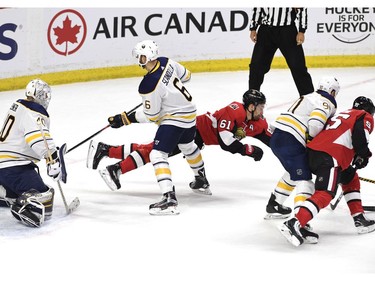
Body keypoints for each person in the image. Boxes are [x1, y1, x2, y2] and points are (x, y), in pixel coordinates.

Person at [97, 40, 210, 215]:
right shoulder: (166, 61)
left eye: (141, 57)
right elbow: (187, 76)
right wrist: (168, 93)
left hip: (175, 119)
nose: (139, 61)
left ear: (148, 56)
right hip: (190, 114)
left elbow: (152, 116)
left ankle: (169, 199)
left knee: (157, 154)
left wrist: (125, 119)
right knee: (188, 146)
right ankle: (201, 180)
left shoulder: (148, 84)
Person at [87, 89, 269, 192]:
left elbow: (268, 136)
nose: (263, 111)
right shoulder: (235, 110)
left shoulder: (254, 120)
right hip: (190, 130)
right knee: (154, 152)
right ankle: (116, 169)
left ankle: (105, 150)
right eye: (260, 107)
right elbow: (226, 143)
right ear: (251, 106)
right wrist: (249, 151)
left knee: (153, 149)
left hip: (196, 135)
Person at [280, 96, 375, 247]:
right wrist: (363, 155)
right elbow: (360, 135)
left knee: (350, 177)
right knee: (325, 193)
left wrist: (357, 155)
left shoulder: (343, 114)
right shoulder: (365, 115)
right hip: (330, 157)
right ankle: (295, 222)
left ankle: (359, 218)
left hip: (313, 153)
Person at [265, 76, 339, 221]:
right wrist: (312, 141)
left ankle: (275, 204)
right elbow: (316, 123)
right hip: (291, 139)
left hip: (278, 136)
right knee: (305, 180)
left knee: (294, 171)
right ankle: (299, 221)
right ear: (332, 91)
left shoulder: (309, 96)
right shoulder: (326, 101)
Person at [0, 79, 62, 227]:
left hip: (4, 166)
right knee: (44, 195)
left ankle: (5, 193)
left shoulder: (18, 106)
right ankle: (22, 206)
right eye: (44, 95)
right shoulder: (34, 112)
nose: (46, 99)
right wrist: (52, 160)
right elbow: (39, 139)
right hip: (14, 167)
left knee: (17, 190)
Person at [248, 7, 314, 96]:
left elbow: (302, 8)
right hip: (266, 31)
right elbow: (258, 7)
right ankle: (252, 98)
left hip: (287, 31)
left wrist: (302, 31)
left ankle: (309, 97)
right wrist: (253, 28)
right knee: (256, 66)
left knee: (297, 66)